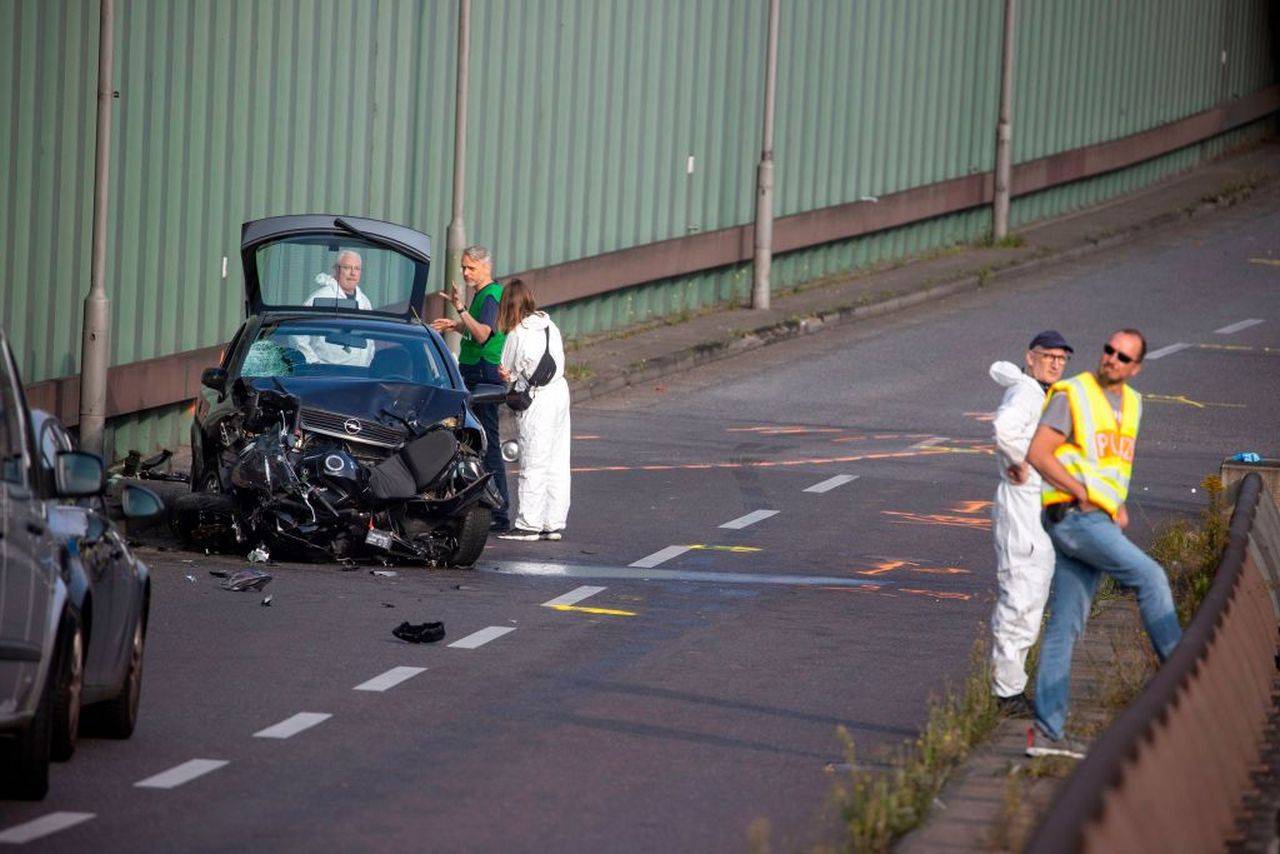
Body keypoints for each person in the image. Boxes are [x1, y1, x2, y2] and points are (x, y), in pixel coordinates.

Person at [1024, 329, 1182, 759]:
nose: (1112, 359)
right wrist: (1081, 492)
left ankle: (1046, 733)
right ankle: (1187, 676)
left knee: (1065, 625)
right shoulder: (1072, 393)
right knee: (1151, 577)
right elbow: (1039, 454)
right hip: (1074, 517)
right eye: (1109, 350)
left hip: (1098, 518)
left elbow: (1112, 464)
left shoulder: (1132, 404)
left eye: (1123, 356)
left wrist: (1116, 504)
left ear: (1136, 368)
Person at [987, 330, 1073, 718]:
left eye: (1062, 358)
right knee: (1021, 600)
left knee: (1031, 598)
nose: (1056, 362)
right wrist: (1019, 461)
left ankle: (1011, 686)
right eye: (1049, 356)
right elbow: (1004, 429)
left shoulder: (1041, 393)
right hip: (1022, 515)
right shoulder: (1026, 394)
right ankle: (1006, 693)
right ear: (1031, 357)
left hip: (1035, 515)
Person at [430, 245, 510, 531]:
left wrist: (461, 309)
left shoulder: (491, 296)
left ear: (486, 267)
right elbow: (477, 332)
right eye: (463, 267)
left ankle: (500, 513)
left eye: (470, 268)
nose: (465, 272)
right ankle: (481, 506)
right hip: (476, 369)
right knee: (473, 439)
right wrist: (455, 324)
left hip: (483, 373)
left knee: (486, 442)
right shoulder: (484, 295)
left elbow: (483, 334)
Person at [493, 279, 571, 541]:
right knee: (557, 460)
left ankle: (528, 524)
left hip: (537, 400)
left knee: (533, 461)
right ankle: (553, 522)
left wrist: (507, 375)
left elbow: (507, 371)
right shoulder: (550, 325)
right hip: (560, 392)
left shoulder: (517, 333)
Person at [293, 249, 375, 367]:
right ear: (336, 270)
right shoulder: (321, 297)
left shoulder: (365, 301)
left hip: (359, 376)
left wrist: (368, 363)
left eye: (357, 269)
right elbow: (297, 333)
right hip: (327, 374)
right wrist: (313, 363)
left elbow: (370, 339)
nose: (353, 273)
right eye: (347, 268)